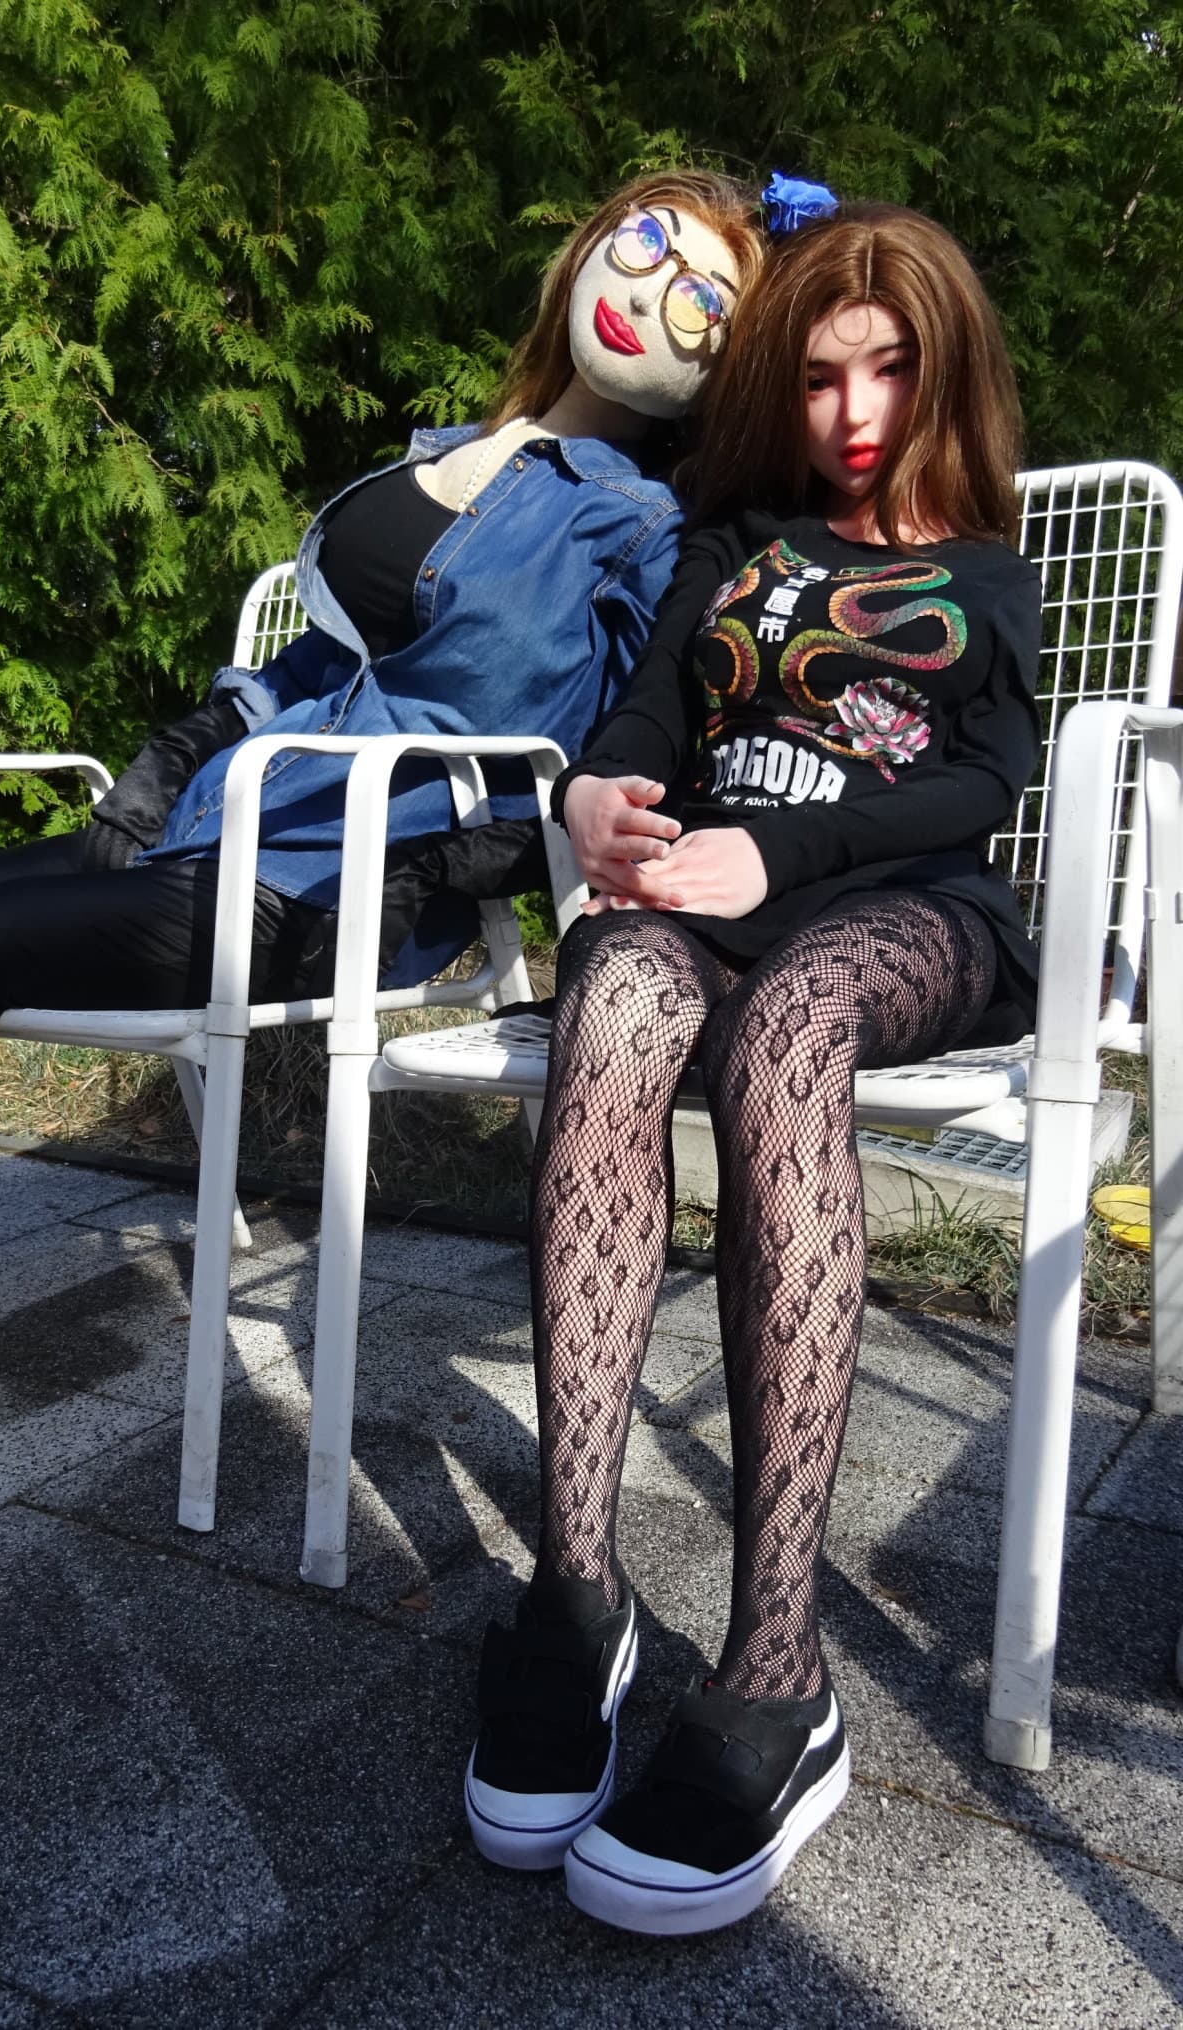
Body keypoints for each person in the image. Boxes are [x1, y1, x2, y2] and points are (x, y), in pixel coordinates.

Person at [0, 171, 769, 1488]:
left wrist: (470, 859)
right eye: (645, 245)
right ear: (589, 248)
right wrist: (171, 756)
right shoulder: (452, 451)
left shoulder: (637, 526)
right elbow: (311, 667)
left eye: (703, 301)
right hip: (207, 821)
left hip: (332, 884)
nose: (652, 297)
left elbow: (607, 752)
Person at [463, 203, 1043, 1935]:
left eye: (889, 369)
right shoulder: (733, 545)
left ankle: (779, 1672)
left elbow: (984, 782)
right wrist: (596, 791)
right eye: (818, 377)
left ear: (944, 372)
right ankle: (577, 1597)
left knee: (787, 1028)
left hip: (909, 913)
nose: (854, 411)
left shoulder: (984, 570)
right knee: (615, 1001)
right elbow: (654, 710)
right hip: (704, 899)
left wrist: (778, 857)